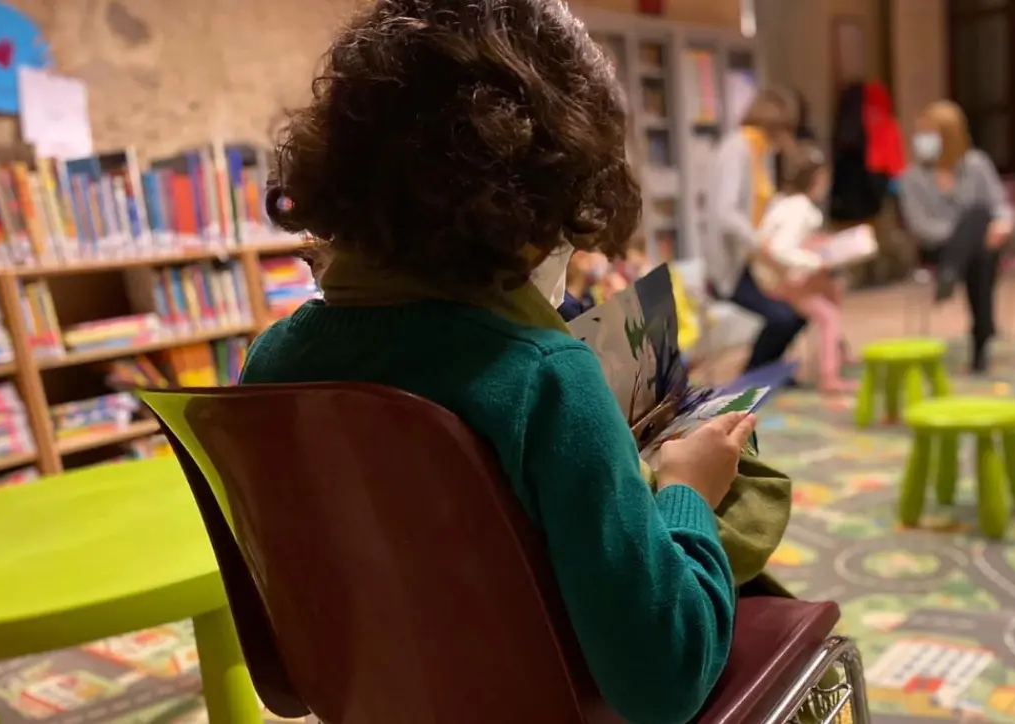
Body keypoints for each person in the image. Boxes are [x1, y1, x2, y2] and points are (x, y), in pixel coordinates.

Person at [239, 3, 752, 723]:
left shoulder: (271, 363)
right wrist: (686, 490)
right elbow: (664, 680)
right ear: (539, 199)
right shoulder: (547, 380)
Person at [898, 100, 1015, 373]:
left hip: (980, 246)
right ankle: (982, 336)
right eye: (920, 134)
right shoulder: (911, 178)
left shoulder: (977, 165)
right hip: (935, 248)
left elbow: (999, 205)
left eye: (930, 134)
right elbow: (921, 226)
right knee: (976, 228)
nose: (922, 141)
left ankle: (951, 275)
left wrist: (1001, 224)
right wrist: (965, 235)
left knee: (979, 221)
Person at [706, 87, 809, 374]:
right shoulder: (737, 148)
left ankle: (769, 370)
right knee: (784, 317)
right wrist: (760, 243)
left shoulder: (756, 152)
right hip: (732, 268)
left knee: (802, 309)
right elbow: (726, 213)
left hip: (751, 261)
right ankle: (754, 373)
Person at [751, 146, 855, 393]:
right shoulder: (800, 210)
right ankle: (829, 375)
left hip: (776, 277)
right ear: (818, 179)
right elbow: (779, 249)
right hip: (783, 282)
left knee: (832, 290)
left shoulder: (783, 203)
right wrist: (815, 261)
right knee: (828, 313)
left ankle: (838, 351)